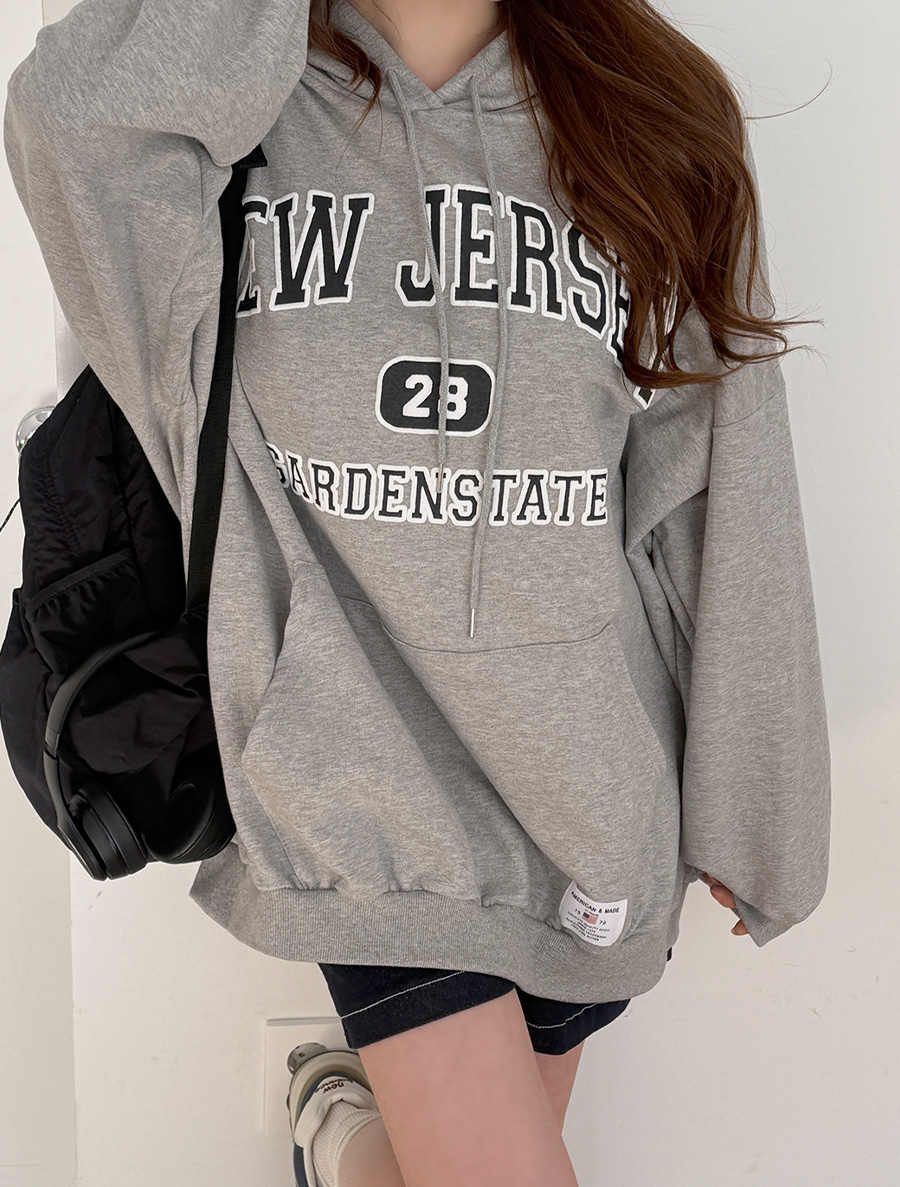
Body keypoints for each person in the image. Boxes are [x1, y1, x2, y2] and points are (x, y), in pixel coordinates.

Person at [3, 0, 831, 1183]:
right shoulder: (220, 109)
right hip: (347, 767)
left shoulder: (653, 111)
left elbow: (722, 473)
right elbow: (67, 111)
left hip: (586, 784)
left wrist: (758, 801)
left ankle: (338, 1133)